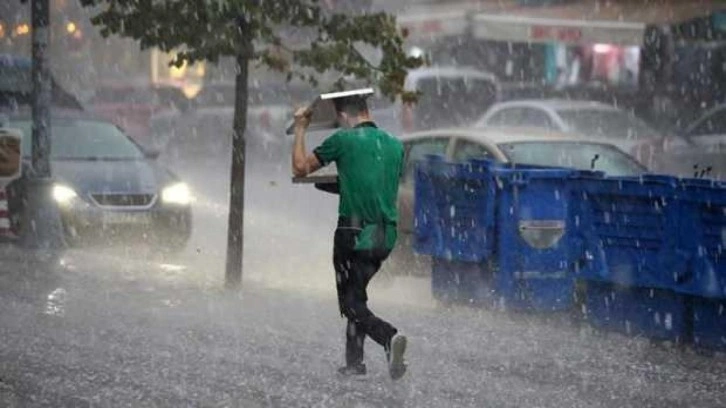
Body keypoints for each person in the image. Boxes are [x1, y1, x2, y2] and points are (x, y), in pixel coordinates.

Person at [291, 95, 408, 380]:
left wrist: (300, 129)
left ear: (343, 116)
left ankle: (388, 337)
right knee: (357, 295)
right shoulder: (395, 145)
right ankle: (354, 362)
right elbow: (374, 185)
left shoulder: (342, 140)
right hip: (385, 235)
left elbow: (300, 167)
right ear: (367, 110)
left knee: (350, 303)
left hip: (353, 233)